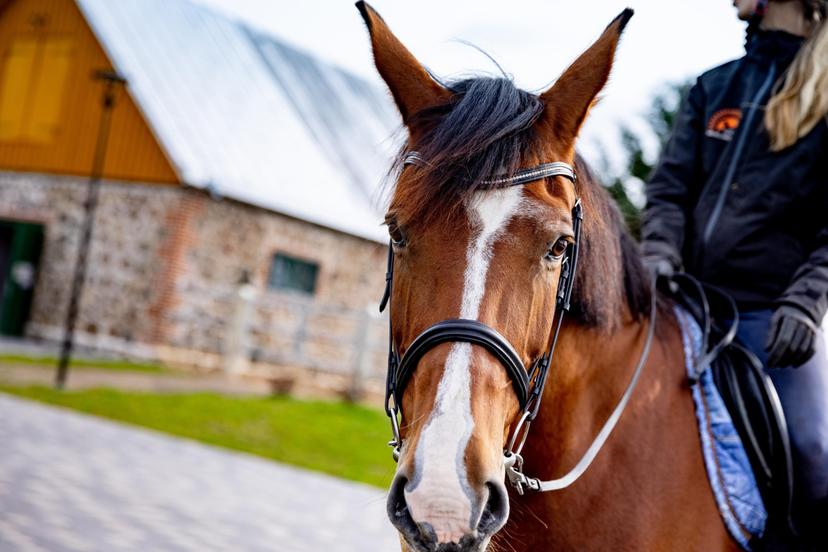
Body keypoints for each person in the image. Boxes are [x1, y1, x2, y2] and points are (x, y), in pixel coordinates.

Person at [641, 0, 828, 546]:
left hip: (773, 321)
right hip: (684, 306)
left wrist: (804, 303)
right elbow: (668, 191)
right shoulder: (713, 87)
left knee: (813, 450)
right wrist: (657, 254)